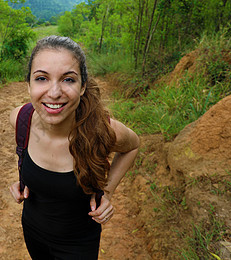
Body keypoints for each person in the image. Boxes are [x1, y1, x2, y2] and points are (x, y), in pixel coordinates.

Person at [9, 35, 139, 260]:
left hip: (79, 244)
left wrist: (107, 192)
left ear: (82, 87)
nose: (54, 92)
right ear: (28, 84)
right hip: (33, 232)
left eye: (68, 80)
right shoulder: (20, 121)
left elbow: (133, 146)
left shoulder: (102, 131)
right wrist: (23, 181)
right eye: (42, 78)